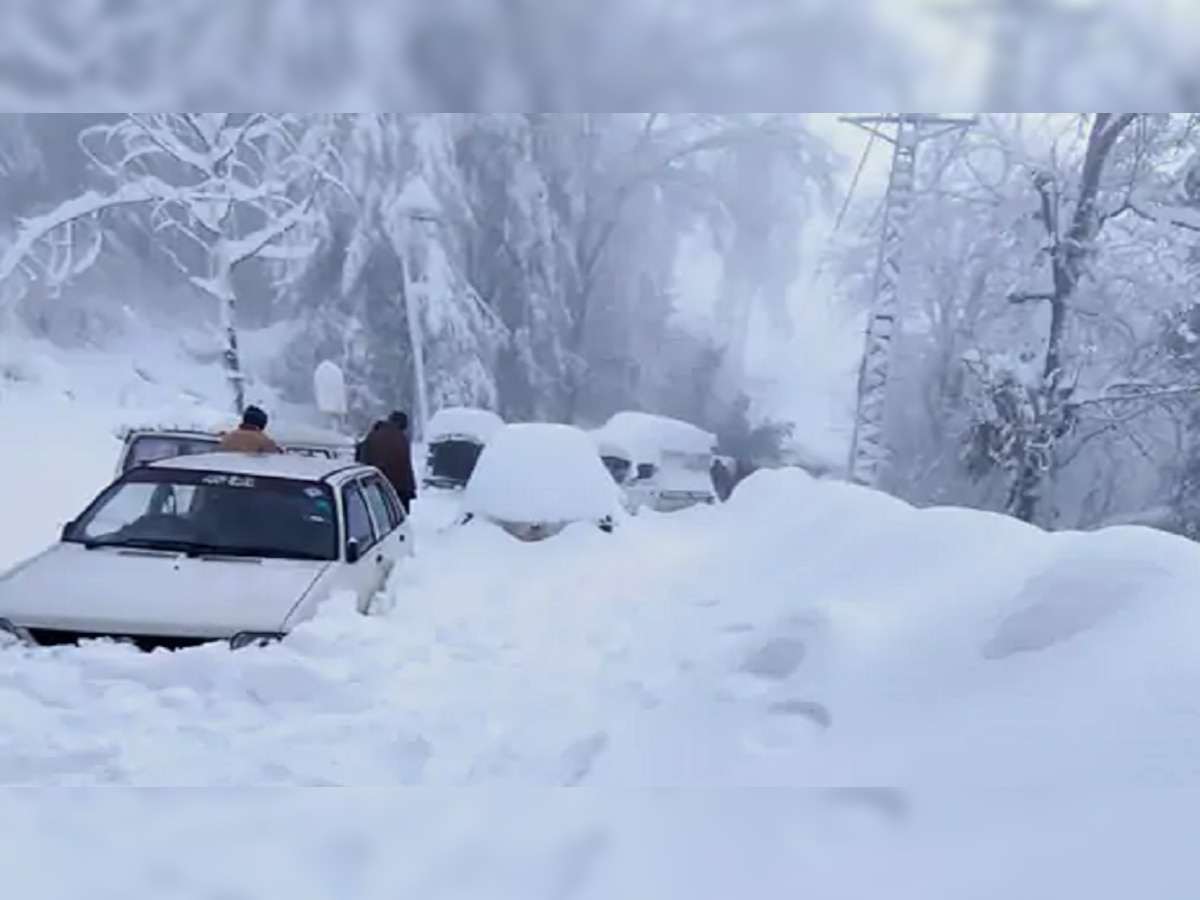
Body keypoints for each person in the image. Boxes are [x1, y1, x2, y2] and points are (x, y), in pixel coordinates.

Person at [357, 410, 417, 512]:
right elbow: (406, 467)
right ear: (401, 423)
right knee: (399, 519)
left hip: (376, 486)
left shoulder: (373, 436)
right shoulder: (402, 438)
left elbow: (361, 460)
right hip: (400, 489)